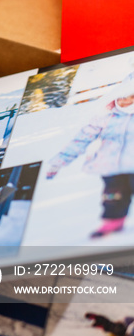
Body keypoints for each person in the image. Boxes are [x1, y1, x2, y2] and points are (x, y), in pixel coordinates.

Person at [47, 78, 134, 238]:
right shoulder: (105, 118)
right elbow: (82, 139)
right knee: (113, 196)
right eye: (121, 97)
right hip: (110, 166)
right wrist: (58, 162)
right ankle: (113, 221)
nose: (125, 102)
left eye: (131, 97)